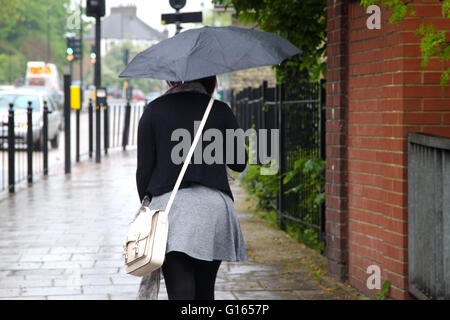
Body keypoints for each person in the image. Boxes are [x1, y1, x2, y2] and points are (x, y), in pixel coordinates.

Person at [135, 75, 249, 300]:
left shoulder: (154, 110)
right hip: (215, 209)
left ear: (171, 78)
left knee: (180, 290)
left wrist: (147, 210)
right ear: (210, 79)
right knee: (206, 290)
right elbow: (239, 162)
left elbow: (144, 172)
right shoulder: (219, 110)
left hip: (171, 209)